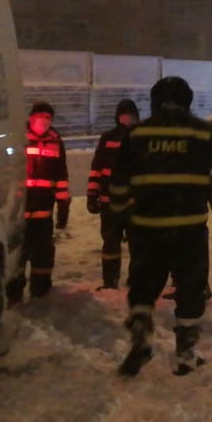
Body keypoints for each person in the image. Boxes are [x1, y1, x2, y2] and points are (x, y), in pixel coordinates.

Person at [110, 77, 212, 377]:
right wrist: (208, 182)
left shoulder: (137, 134)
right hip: (189, 228)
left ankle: (141, 330)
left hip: (146, 227)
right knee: (190, 289)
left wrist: (118, 212)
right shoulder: (203, 133)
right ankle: (185, 353)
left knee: (143, 284)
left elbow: (118, 181)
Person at [12, 101, 71, 303]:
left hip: (43, 211)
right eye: (39, 117)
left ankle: (41, 291)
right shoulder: (19, 137)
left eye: (47, 118)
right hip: (18, 210)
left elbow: (61, 175)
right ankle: (13, 293)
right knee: (17, 253)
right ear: (31, 117)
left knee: (43, 254)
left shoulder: (55, 140)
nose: (43, 121)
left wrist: (64, 206)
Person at [86, 98, 140, 291]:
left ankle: (136, 281)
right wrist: (92, 195)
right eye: (124, 115)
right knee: (110, 245)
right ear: (118, 117)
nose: (127, 118)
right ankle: (110, 281)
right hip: (110, 203)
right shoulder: (107, 138)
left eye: (130, 115)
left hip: (134, 203)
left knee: (138, 245)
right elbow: (96, 169)